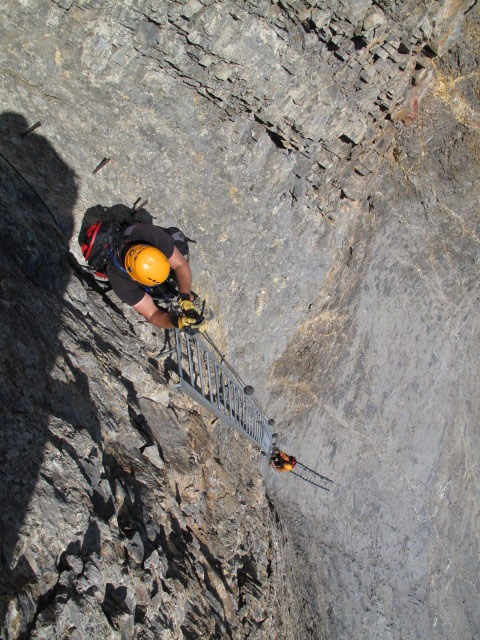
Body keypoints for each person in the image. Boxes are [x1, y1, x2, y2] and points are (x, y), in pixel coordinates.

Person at [81, 221, 203, 331]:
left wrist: (185, 297)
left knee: (180, 246)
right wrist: (177, 322)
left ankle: (188, 295)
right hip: (134, 277)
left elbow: (181, 265)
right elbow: (152, 314)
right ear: (133, 278)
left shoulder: (148, 234)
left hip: (147, 248)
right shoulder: (120, 281)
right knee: (157, 293)